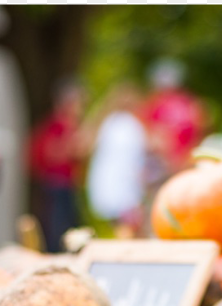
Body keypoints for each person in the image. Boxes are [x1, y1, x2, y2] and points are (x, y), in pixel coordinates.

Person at [28, 82, 87, 252]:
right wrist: (72, 145)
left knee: (68, 223)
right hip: (56, 183)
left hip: (68, 183)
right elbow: (52, 152)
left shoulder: (69, 126)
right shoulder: (58, 126)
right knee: (57, 226)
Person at [85, 84, 148, 238]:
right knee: (129, 226)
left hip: (109, 185)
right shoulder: (130, 125)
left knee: (121, 225)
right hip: (125, 186)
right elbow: (136, 158)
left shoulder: (108, 123)